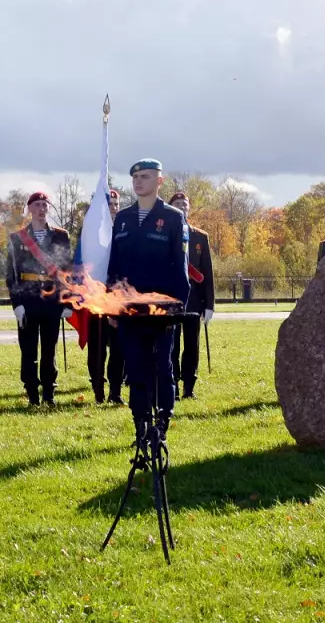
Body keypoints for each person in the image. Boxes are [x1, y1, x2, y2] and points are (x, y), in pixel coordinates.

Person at [108, 158, 189, 441]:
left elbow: (180, 268)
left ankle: (162, 422)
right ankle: (140, 423)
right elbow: (114, 268)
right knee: (136, 367)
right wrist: (111, 307)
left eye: (144, 176)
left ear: (159, 181)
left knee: (163, 367)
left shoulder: (173, 218)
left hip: (162, 311)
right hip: (129, 311)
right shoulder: (123, 218)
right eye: (135, 177)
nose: (138, 181)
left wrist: (177, 309)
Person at [6, 192, 72, 407]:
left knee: (49, 348)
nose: (42, 209)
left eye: (45, 205)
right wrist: (17, 304)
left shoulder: (62, 236)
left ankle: (49, 393)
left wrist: (67, 301)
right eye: (37, 205)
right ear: (29, 210)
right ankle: (32, 393)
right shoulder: (17, 238)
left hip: (52, 298)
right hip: (29, 297)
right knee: (28, 349)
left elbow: (67, 271)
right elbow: (12, 273)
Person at [168, 191, 215, 400]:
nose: (182, 206)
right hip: (171, 299)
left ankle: (189, 386)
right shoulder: (165, 233)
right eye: (177, 203)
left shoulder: (200, 237)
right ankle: (173, 385)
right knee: (172, 344)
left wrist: (210, 304)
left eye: (184, 204)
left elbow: (207, 272)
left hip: (194, 300)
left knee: (191, 345)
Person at [82, 189, 125, 405]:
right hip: (95, 297)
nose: (113, 208)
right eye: (109, 204)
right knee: (97, 347)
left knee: (119, 347)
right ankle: (98, 387)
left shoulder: (125, 230)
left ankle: (115, 392)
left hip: (118, 296)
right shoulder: (91, 233)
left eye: (116, 204)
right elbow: (80, 264)